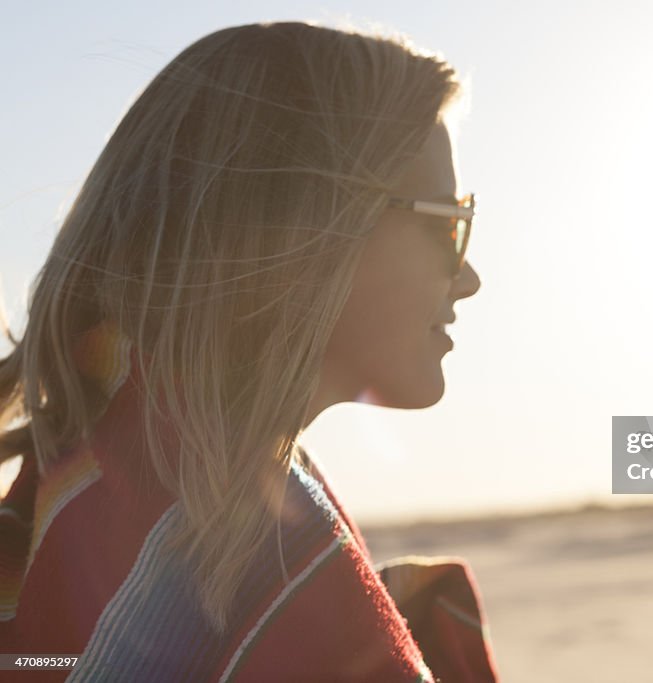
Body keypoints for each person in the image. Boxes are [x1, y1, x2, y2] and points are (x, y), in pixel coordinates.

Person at [0, 21, 499, 682]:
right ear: (305, 229)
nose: (467, 278)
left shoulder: (92, 484)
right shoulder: (235, 560)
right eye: (446, 226)